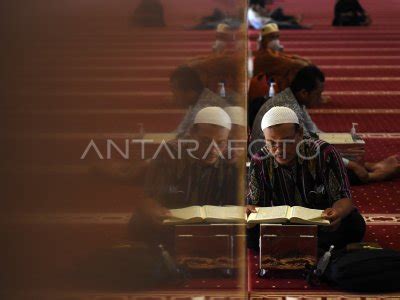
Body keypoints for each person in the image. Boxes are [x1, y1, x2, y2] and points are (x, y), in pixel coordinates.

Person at [246, 107, 366, 251]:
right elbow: (257, 206)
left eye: (286, 141)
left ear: (300, 134)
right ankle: (313, 246)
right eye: (271, 143)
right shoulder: (260, 160)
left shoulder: (324, 153)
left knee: (354, 224)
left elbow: (343, 199)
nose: (279, 150)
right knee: (247, 232)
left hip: (321, 224)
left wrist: (336, 213)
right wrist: (249, 212)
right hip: (281, 225)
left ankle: (290, 246)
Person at [250, 65, 324, 155]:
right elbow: (307, 146)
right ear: (304, 93)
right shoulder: (288, 109)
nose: (320, 99)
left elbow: (314, 131)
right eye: (317, 94)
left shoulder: (293, 99)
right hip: (266, 160)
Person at [249, 23, 312, 101]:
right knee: (294, 70)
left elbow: (289, 58)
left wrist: (305, 62)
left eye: (277, 37)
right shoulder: (266, 56)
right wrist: (309, 66)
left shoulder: (271, 52)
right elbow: (296, 64)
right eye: (272, 37)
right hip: (262, 94)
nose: (275, 40)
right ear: (263, 40)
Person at [170, 66, 228, 138]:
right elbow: (180, 131)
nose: (174, 97)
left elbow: (186, 138)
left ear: (189, 92)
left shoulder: (206, 107)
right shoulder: (197, 101)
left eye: (175, 92)